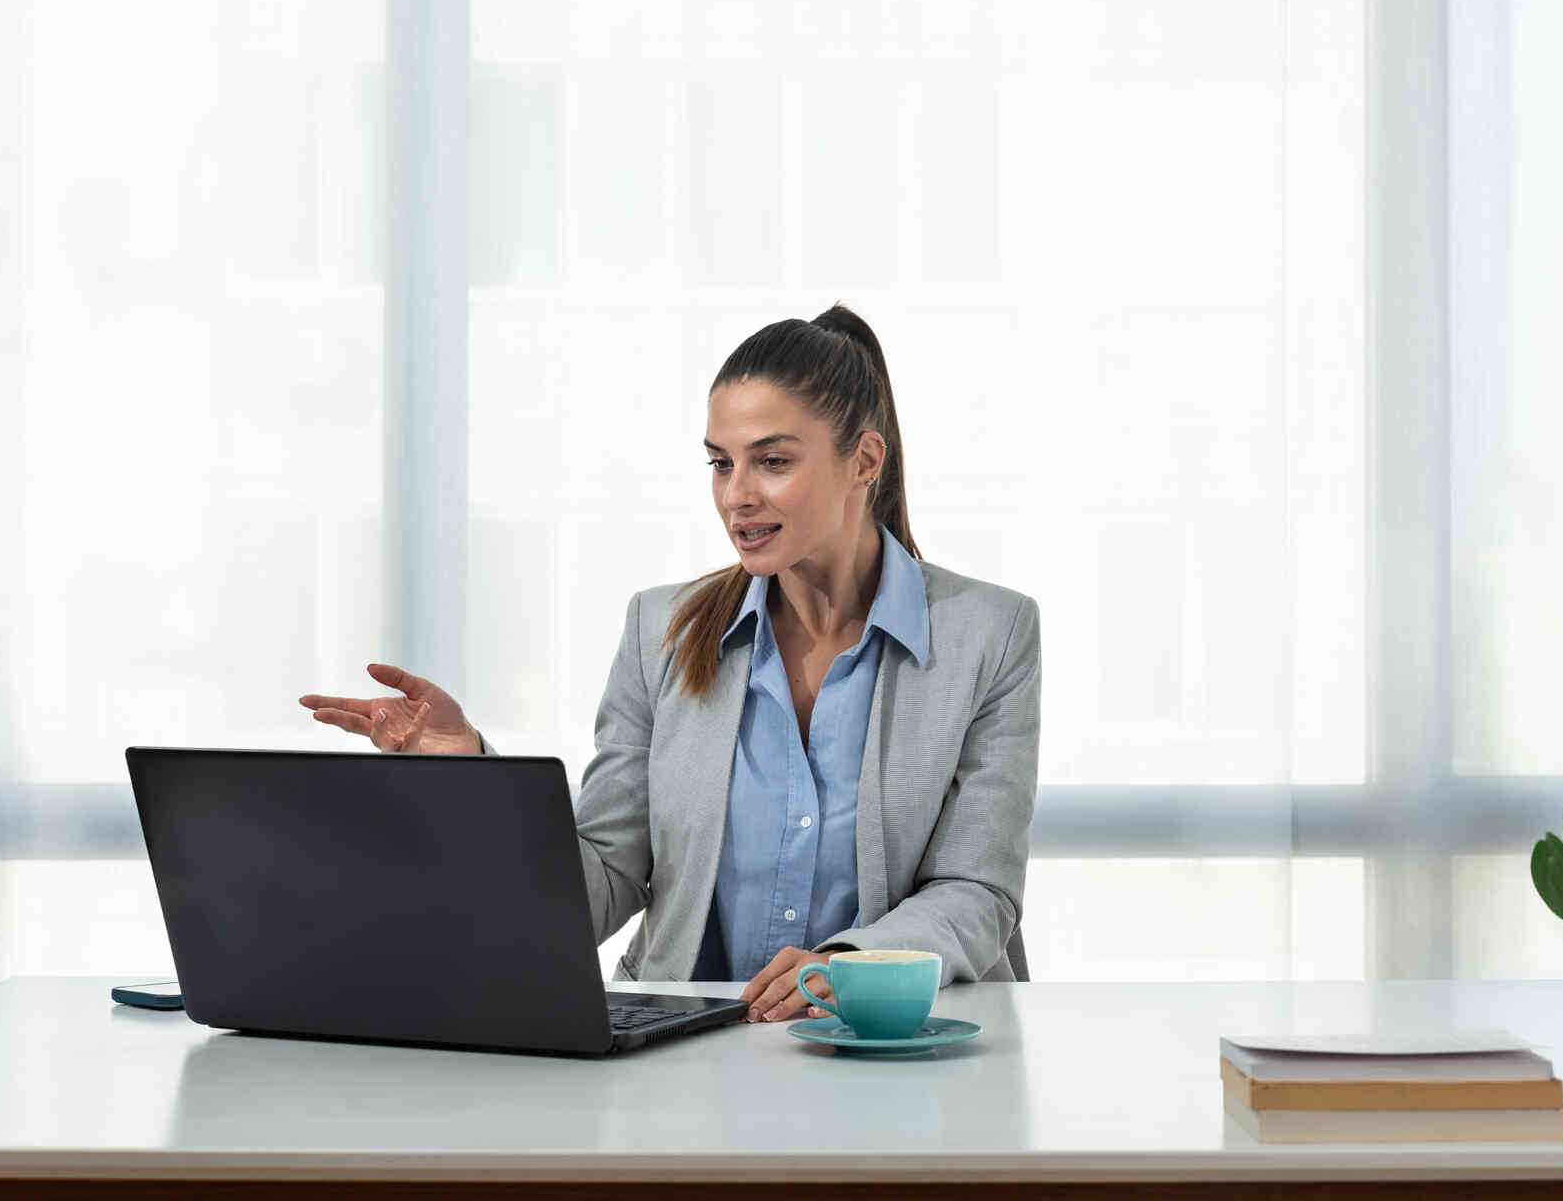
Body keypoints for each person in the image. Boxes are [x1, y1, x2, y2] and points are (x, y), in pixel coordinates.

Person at [298, 304, 1041, 1023]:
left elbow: (977, 889)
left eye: (772, 461)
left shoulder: (990, 633)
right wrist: (470, 776)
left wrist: (848, 962)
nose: (736, 496)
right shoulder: (662, 630)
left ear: (863, 460)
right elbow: (600, 884)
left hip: (892, 1045)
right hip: (684, 1051)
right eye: (721, 463)